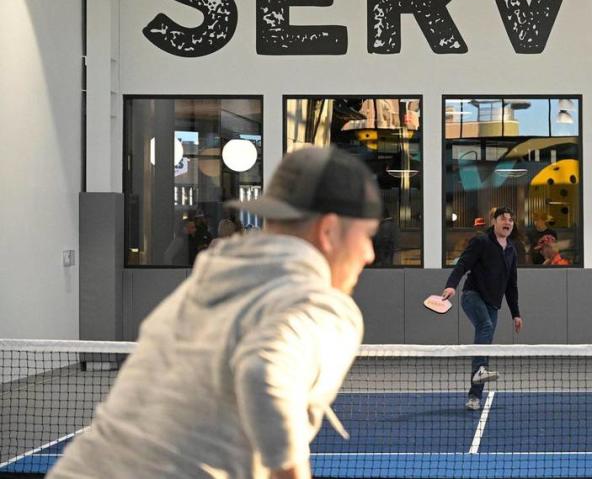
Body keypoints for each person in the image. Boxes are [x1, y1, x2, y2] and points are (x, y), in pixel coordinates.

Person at [47, 147, 382, 479]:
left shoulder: (202, 285)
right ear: (328, 231)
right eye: (366, 236)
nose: (368, 254)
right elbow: (261, 372)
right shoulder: (320, 304)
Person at [440, 206, 523, 411]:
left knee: (484, 347)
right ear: (493, 221)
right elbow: (462, 265)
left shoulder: (512, 249)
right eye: (503, 218)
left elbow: (511, 285)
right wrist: (451, 285)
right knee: (485, 326)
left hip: (493, 303)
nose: (508, 222)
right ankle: (479, 374)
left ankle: (474, 397)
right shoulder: (481, 241)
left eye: (511, 220)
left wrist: (516, 314)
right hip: (472, 296)